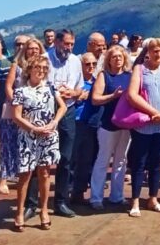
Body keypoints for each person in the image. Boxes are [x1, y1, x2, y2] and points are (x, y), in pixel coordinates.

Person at [11, 54, 65, 231]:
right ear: (29, 70)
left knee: (45, 174)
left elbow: (63, 106)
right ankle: (19, 212)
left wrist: (54, 122)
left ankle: (43, 210)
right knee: (25, 175)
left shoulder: (50, 87)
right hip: (28, 136)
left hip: (48, 135)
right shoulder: (20, 91)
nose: (41, 71)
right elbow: (16, 116)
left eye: (44, 68)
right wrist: (34, 129)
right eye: (37, 68)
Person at [126, 37, 160, 217]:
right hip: (144, 125)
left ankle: (153, 198)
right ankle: (134, 201)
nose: (158, 54)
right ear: (148, 52)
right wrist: (152, 112)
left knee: (157, 163)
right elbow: (132, 95)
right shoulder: (139, 70)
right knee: (139, 163)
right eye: (155, 51)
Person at [42, 29, 83, 218]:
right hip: (45, 112)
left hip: (67, 111)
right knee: (39, 159)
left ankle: (60, 202)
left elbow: (79, 88)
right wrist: (56, 93)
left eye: (72, 44)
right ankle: (32, 203)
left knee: (66, 159)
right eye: (66, 44)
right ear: (57, 42)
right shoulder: (44, 59)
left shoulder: (75, 61)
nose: (69, 48)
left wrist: (72, 93)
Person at [88, 45, 131, 209]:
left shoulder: (130, 75)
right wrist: (113, 96)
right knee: (103, 160)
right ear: (109, 60)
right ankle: (96, 197)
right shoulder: (104, 76)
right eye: (114, 57)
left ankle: (117, 196)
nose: (118, 59)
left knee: (121, 160)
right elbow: (95, 99)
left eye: (120, 56)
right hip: (107, 123)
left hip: (126, 124)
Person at [70, 52, 101, 206]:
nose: (91, 67)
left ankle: (78, 192)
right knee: (70, 159)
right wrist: (77, 98)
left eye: (94, 64)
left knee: (86, 160)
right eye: (87, 64)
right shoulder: (75, 83)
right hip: (74, 124)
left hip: (91, 125)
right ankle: (65, 192)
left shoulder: (98, 83)